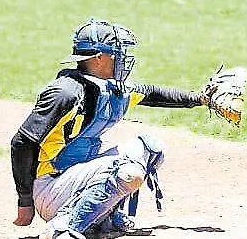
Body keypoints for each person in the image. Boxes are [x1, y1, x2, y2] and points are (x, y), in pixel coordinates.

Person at [11, 18, 212, 239]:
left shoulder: (110, 89)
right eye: (117, 52)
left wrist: (201, 98)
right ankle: (64, 229)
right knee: (126, 170)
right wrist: (25, 202)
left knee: (150, 149)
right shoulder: (65, 93)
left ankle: (102, 220)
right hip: (51, 187)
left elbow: (153, 93)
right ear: (99, 58)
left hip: (78, 180)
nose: (122, 58)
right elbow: (22, 142)